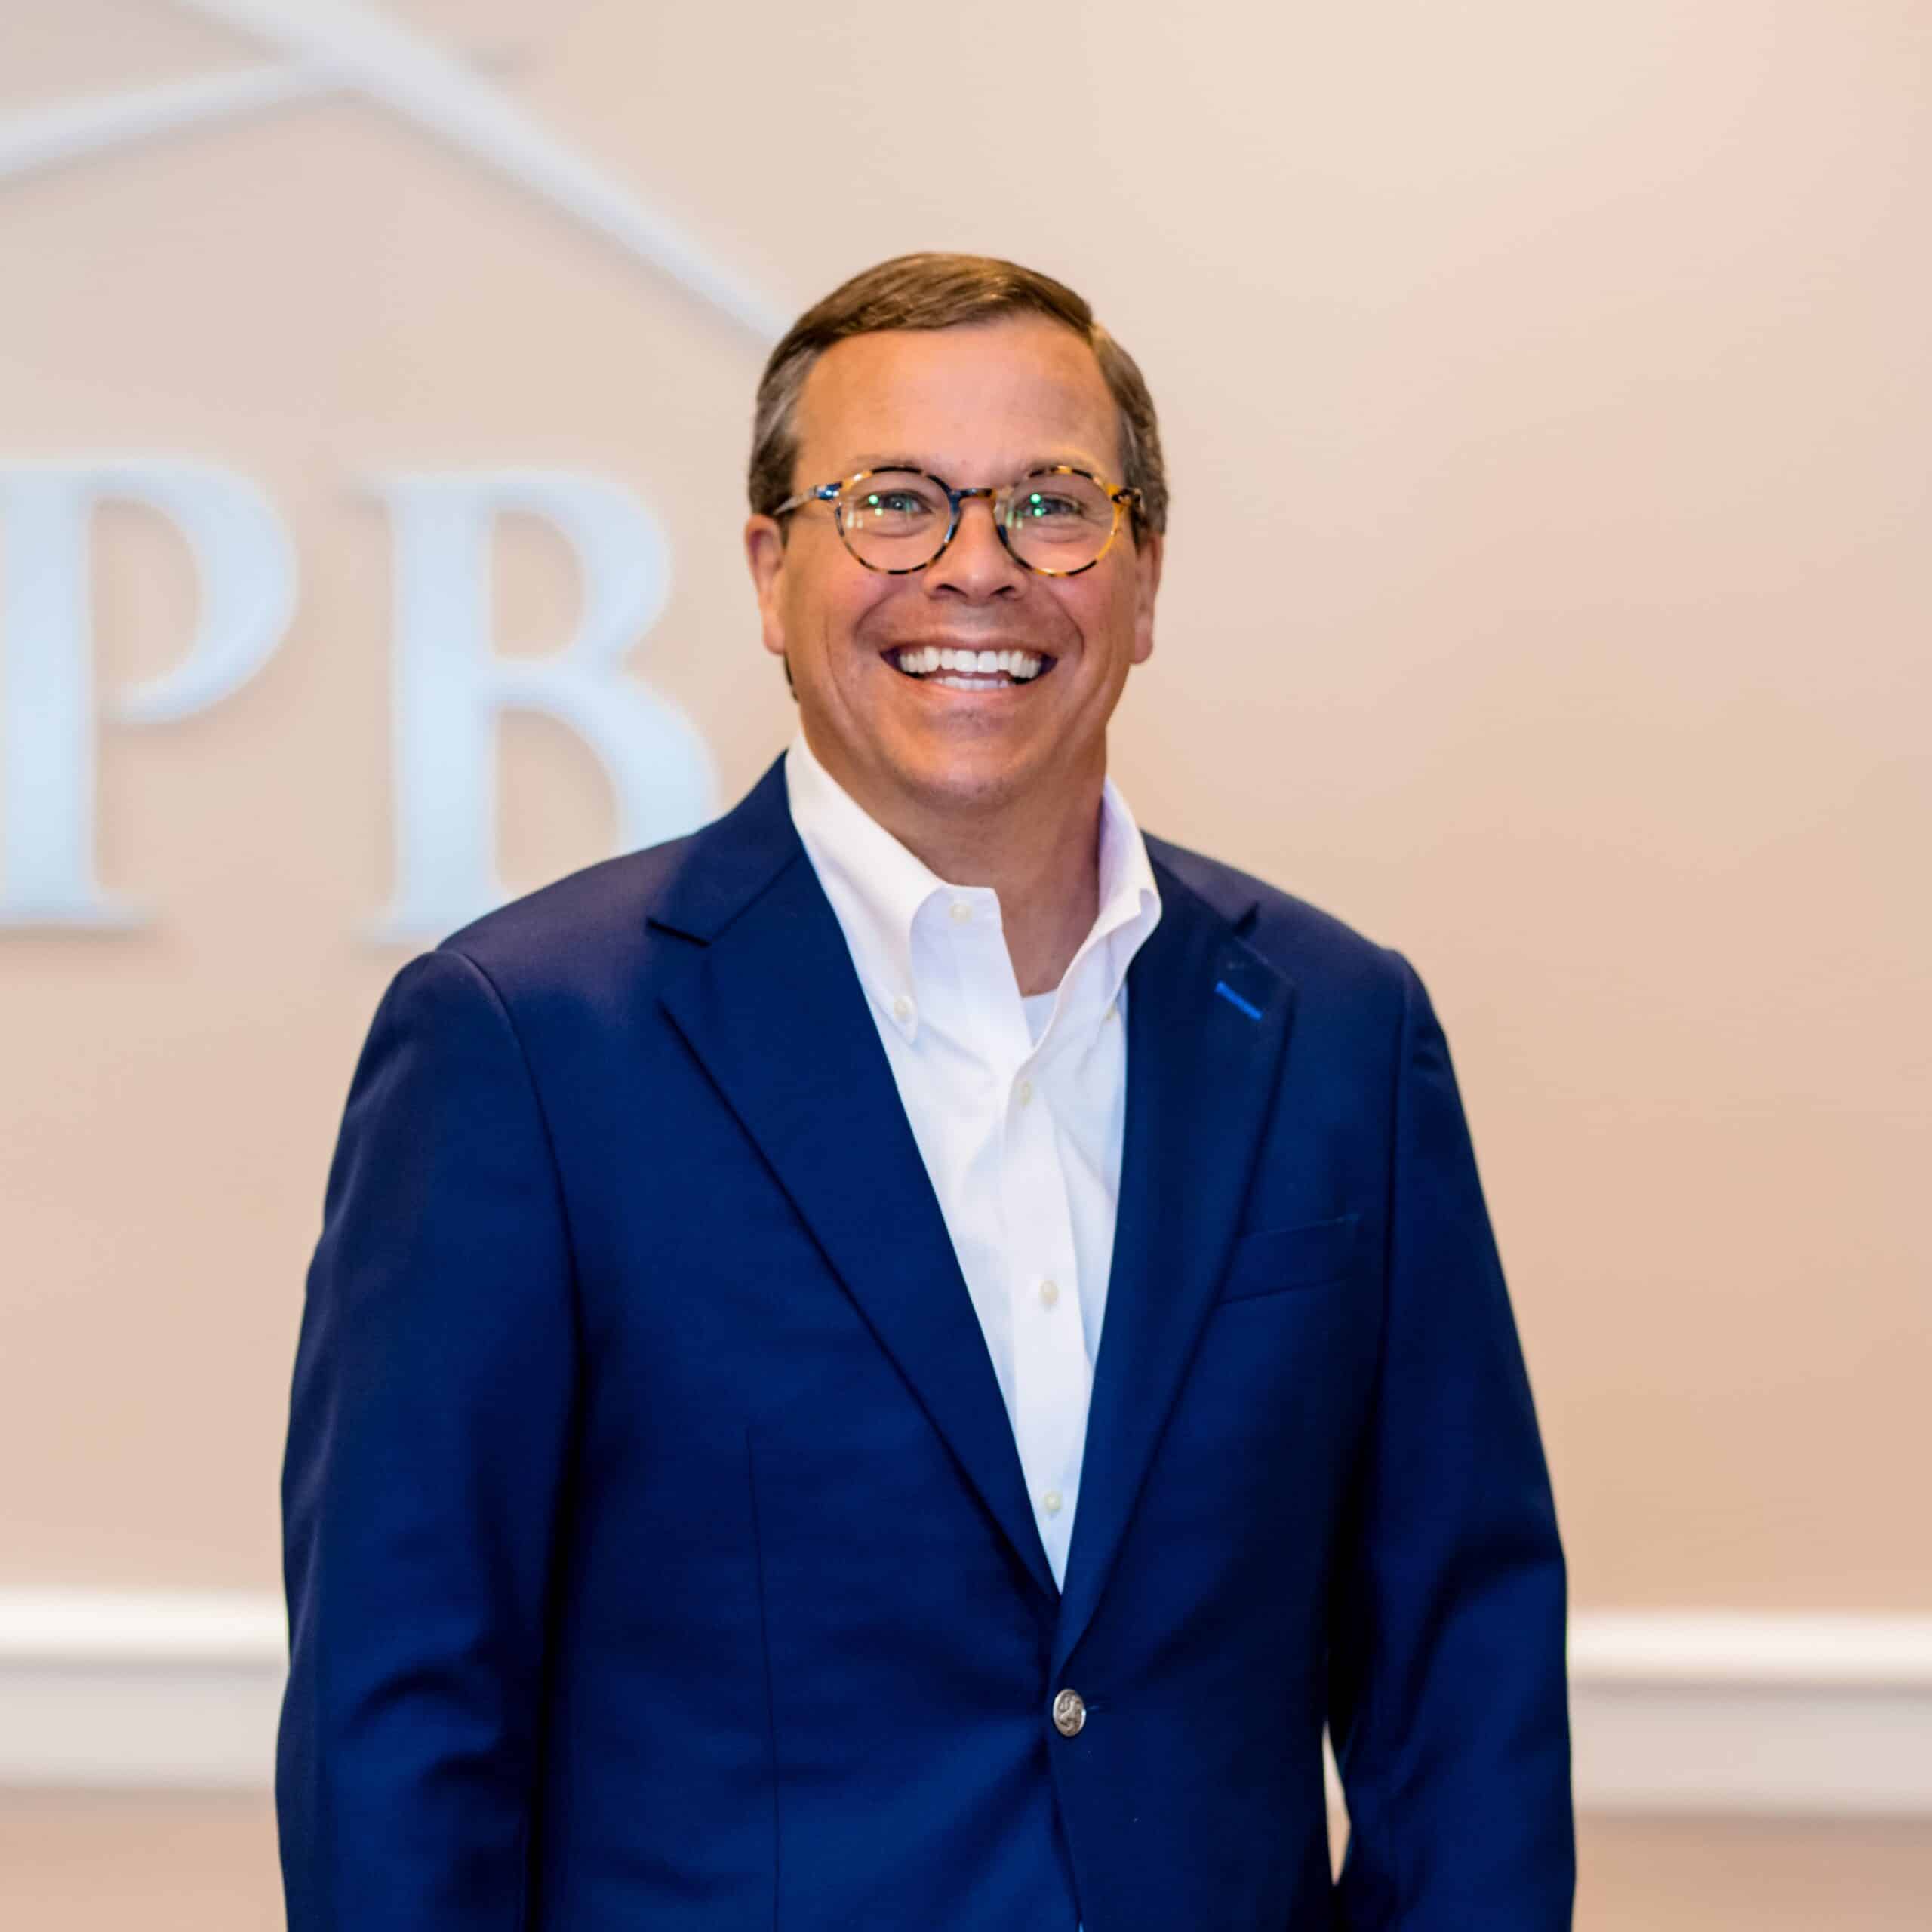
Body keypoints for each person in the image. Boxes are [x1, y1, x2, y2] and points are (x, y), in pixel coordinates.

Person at [276, 252, 1574, 1930]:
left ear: (1145, 574)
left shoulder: (1333, 1027)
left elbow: (1456, 1670)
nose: (975, 569)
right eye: (892, 501)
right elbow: (403, 1724)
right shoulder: (522, 1044)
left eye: (1050, 502)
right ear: (768, 568)